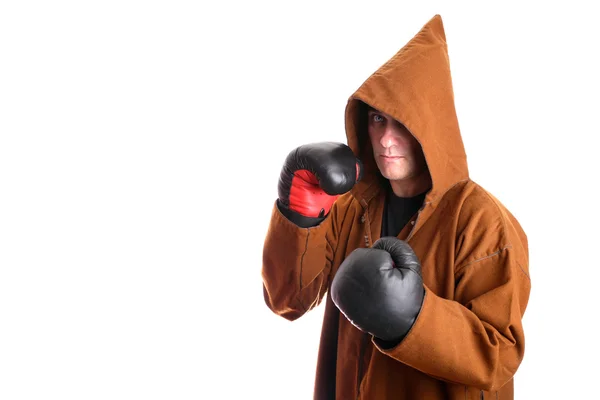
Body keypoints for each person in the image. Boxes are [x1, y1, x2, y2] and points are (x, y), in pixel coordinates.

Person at [261, 14, 530, 400]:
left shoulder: (483, 222)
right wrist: (300, 216)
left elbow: (500, 356)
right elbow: (286, 300)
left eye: (402, 124)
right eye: (377, 120)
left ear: (431, 128)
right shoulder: (350, 207)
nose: (386, 139)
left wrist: (414, 318)